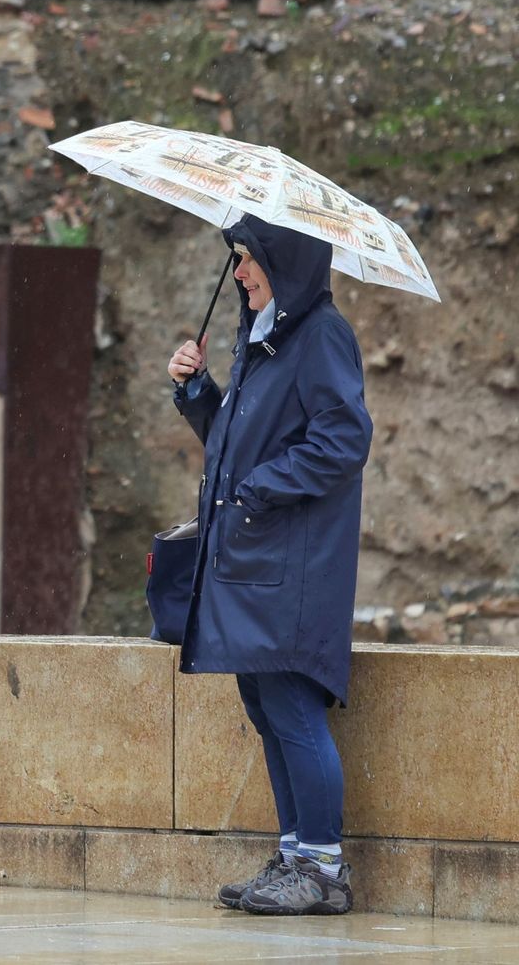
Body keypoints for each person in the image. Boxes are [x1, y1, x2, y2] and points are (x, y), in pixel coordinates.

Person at [167, 214, 372, 917]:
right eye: (235, 259)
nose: (239, 273)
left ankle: (322, 868)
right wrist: (199, 395)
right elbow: (236, 443)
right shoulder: (266, 337)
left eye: (248, 259)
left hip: (294, 563)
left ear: (283, 262)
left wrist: (258, 489)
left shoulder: (319, 335)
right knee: (263, 703)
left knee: (289, 703)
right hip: (257, 560)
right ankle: (293, 855)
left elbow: (343, 441)